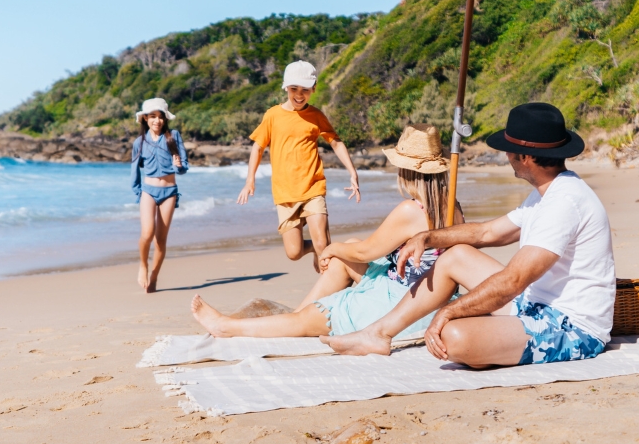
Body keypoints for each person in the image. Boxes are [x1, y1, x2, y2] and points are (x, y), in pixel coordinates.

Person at [323, 103, 616, 370]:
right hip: (534, 303)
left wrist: (449, 311)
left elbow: (513, 281)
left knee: (453, 337)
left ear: (525, 157)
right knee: (456, 256)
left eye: (509, 150)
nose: (506, 156)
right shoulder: (544, 194)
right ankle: (378, 333)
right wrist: (428, 238)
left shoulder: (563, 203)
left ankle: (482, 334)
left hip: (571, 327)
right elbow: (487, 232)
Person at [192, 124, 464, 338]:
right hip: (433, 295)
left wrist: (331, 248)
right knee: (346, 254)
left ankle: (226, 327)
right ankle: (296, 317)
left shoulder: (411, 210)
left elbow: (367, 251)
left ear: (406, 170)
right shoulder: (452, 205)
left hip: (404, 302)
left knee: (338, 267)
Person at [237, 60, 360, 276]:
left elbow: (335, 142)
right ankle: (314, 247)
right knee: (293, 253)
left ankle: (330, 291)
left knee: (323, 244)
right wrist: (250, 180)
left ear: (313, 89)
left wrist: (352, 172)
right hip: (285, 194)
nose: (299, 94)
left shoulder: (316, 115)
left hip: (313, 187)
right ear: (286, 87)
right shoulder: (273, 115)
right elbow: (257, 148)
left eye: (305, 89)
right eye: (294, 89)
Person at [131, 97, 188, 293]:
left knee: (160, 239)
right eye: (153, 116)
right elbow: (135, 170)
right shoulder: (140, 142)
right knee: (147, 233)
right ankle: (143, 265)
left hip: (169, 192)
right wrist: (138, 192)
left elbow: (183, 167)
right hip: (148, 190)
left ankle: (154, 276)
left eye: (160, 117)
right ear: (145, 118)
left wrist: (178, 166)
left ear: (165, 119)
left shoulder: (174, 136)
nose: (157, 121)